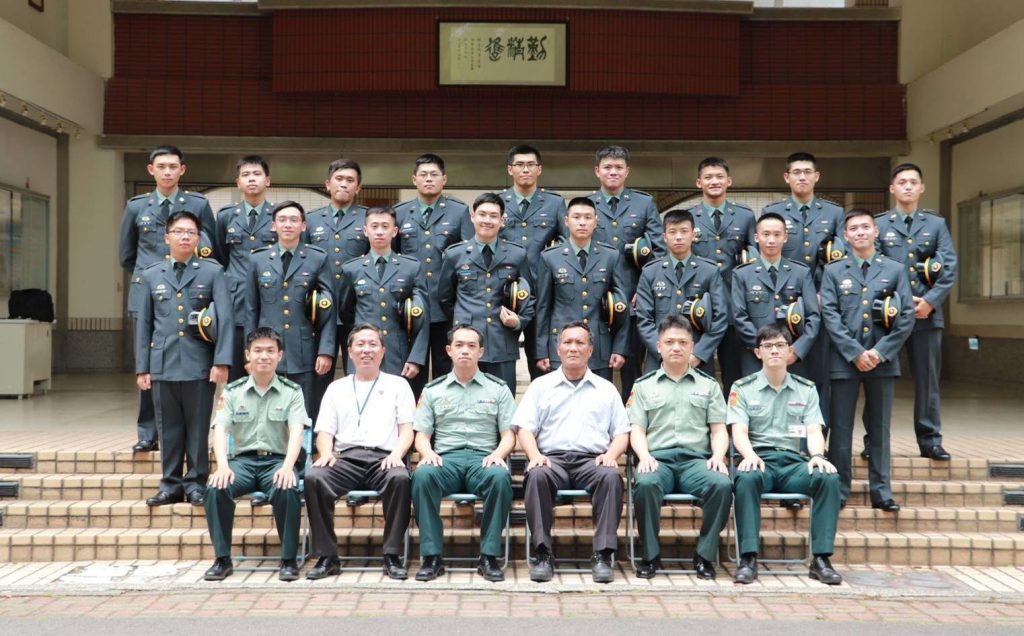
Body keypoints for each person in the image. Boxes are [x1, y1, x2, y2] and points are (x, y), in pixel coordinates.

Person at [513, 321, 630, 584]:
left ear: (590, 350)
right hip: (552, 460)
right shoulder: (541, 386)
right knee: (536, 475)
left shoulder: (606, 389)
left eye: (580, 343)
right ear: (558, 349)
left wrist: (611, 455)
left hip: (592, 461)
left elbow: (622, 432)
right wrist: (534, 456)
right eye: (567, 342)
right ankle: (543, 554)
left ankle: (602, 555)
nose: (573, 348)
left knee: (611, 476)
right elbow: (524, 428)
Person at [728, 324, 844, 586]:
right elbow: (739, 431)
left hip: (793, 464)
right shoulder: (742, 388)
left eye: (780, 345)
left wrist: (817, 456)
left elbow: (814, 429)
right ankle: (748, 558)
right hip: (760, 461)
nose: (774, 351)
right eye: (768, 346)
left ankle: (821, 559)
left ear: (790, 351)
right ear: (758, 352)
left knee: (828, 479)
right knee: (746, 478)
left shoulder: (806, 389)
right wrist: (749, 455)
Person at [119, 145, 217, 453]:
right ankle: (147, 432)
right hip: (149, 292)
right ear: (151, 170)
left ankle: (184, 431)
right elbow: (126, 255)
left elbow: (211, 249)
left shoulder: (198, 205)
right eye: (161, 166)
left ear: (182, 170)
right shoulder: (136, 207)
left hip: (190, 294)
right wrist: (154, 278)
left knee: (190, 362)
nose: (167, 172)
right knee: (148, 362)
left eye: (173, 166)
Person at [135, 210, 231, 507]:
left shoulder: (212, 272)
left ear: (199, 238)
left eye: (191, 232)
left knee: (198, 427)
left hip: (199, 362)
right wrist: (142, 368)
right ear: (167, 238)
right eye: (178, 232)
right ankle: (170, 485)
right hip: (162, 363)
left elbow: (225, 319)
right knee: (168, 428)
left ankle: (196, 483)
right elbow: (144, 324)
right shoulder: (151, 275)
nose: (185, 237)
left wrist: (221, 361)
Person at [303, 324, 415, 581]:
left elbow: (407, 430)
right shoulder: (336, 388)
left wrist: (397, 454)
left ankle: (392, 555)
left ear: (383, 351)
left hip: (384, 458)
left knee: (400, 478)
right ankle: (327, 556)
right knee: (314, 478)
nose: (367, 350)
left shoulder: (398, 385)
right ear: (350, 351)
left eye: (373, 344)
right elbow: (324, 432)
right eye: (360, 345)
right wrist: (325, 452)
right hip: (346, 459)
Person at [820, 209, 914, 512]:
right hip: (843, 361)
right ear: (845, 236)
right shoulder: (833, 271)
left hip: (882, 362)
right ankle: (839, 489)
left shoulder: (895, 269)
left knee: (879, 428)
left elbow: (906, 315)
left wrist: (878, 352)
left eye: (865, 227)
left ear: (876, 232)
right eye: (854, 229)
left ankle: (881, 492)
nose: (860, 232)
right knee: (840, 429)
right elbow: (830, 315)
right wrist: (855, 352)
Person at [627, 315, 731, 580]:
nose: (676, 347)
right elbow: (636, 429)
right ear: (658, 346)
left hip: (695, 462)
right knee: (646, 483)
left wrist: (718, 456)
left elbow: (718, 429)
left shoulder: (708, 386)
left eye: (683, 342)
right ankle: (650, 555)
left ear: (692, 347)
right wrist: (643, 456)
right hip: (657, 460)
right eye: (670, 342)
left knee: (721, 484)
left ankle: (705, 555)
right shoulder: (643, 386)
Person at [410, 325, 516, 582]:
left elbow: (509, 434)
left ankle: (489, 556)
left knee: (500, 478)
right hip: (446, 460)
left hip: (483, 459)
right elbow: (421, 435)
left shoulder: (498, 389)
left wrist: (499, 454)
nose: (465, 351)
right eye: (459, 345)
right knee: (422, 476)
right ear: (449, 350)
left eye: (471, 346)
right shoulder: (433, 390)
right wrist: (427, 452)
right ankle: (432, 557)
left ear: (481, 352)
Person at [203, 327, 306, 582]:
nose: (264, 356)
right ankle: (222, 559)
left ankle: (289, 559)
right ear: (248, 355)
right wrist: (222, 466)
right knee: (216, 488)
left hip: (277, 461)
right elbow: (220, 430)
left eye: (270, 351)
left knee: (287, 487)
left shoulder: (292, 391)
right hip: (242, 463)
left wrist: (288, 467)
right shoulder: (232, 391)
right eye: (258, 351)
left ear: (280, 355)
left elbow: (296, 432)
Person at [871, 163, 957, 462]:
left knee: (927, 381)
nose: (907, 186)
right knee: (879, 381)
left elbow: (948, 266)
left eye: (913, 182)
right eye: (902, 182)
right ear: (892, 188)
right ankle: (875, 441)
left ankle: (930, 441)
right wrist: (898, 303)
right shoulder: (879, 224)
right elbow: (874, 267)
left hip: (926, 316)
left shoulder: (936, 224)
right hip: (887, 317)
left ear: (922, 188)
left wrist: (930, 301)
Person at [762, 152, 846, 427]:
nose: (802, 177)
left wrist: (826, 295)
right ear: (787, 177)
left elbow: (840, 261)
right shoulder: (773, 212)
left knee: (818, 374)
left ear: (816, 176)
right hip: (781, 306)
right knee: (781, 372)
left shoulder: (834, 213)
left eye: (807, 172)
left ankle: (817, 436)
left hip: (818, 304)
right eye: (796, 172)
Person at [586, 145, 665, 400]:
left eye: (618, 167)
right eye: (607, 167)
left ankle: (631, 418)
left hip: (633, 296)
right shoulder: (586, 205)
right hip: (595, 298)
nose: (613, 172)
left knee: (631, 364)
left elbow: (658, 251)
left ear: (627, 171)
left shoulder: (644, 203)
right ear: (597, 171)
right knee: (596, 364)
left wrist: (645, 288)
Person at [244, 201, 336, 422]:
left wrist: (325, 351)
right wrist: (249, 352)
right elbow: (251, 309)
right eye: (282, 220)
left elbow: (329, 308)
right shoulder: (258, 258)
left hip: (304, 348)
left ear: (303, 226)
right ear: (273, 225)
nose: (288, 225)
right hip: (267, 350)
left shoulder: (317, 258)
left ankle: (304, 445)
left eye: (294, 220)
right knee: (266, 411)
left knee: (304, 411)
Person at [393, 154, 473, 395]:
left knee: (445, 369)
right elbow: (394, 258)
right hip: (410, 308)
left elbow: (467, 257)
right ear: (414, 180)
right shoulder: (400, 213)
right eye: (424, 175)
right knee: (409, 372)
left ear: (444, 179)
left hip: (444, 307)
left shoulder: (458, 211)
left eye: (434, 174)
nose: (429, 179)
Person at [438, 192, 534, 395]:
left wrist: (518, 322)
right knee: (464, 401)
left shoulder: (517, 254)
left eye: (493, 216)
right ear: (473, 217)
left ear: (502, 220)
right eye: (482, 214)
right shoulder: (455, 254)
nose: (487, 220)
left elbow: (529, 296)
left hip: (502, 341)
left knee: (503, 401)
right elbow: (445, 298)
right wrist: (463, 321)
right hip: (466, 345)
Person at [534, 197, 628, 381]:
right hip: (562, 346)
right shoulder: (550, 257)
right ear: (566, 221)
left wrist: (619, 348)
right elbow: (543, 307)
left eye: (588, 217)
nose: (582, 222)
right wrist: (541, 350)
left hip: (599, 347)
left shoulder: (610, 256)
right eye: (576, 217)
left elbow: (622, 305)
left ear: (596, 222)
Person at [686, 157, 757, 394]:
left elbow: (754, 261)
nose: (714, 181)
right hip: (699, 306)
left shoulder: (745, 216)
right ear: (699, 182)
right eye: (708, 177)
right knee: (698, 370)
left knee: (734, 372)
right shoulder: (689, 217)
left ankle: (732, 415)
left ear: (729, 181)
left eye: (719, 177)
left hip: (734, 304)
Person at [339, 206, 429, 388]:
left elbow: (423, 317)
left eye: (385, 226)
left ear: (394, 231)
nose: (379, 231)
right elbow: (346, 312)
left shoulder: (411, 267)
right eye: (374, 226)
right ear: (365, 231)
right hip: (363, 352)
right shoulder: (351, 269)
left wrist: (416, 358)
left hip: (399, 353)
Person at [499, 144, 568, 380]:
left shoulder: (554, 203)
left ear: (539, 169)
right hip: (505, 292)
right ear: (510, 169)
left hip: (543, 291)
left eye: (530, 164)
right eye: (519, 164)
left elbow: (566, 243)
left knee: (543, 364)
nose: (525, 169)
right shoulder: (498, 202)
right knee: (502, 362)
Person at [306, 159, 370, 408]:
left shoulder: (368, 218)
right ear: (327, 184)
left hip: (358, 310)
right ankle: (317, 429)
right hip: (319, 313)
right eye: (339, 179)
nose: (344, 184)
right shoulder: (311, 220)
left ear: (358, 187)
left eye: (350, 180)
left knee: (360, 374)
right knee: (318, 376)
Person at [635, 208, 728, 375]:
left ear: (693, 235)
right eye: (672, 232)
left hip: (697, 360)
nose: (678, 237)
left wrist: (698, 354)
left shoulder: (709, 271)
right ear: (664, 237)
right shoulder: (650, 272)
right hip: (659, 360)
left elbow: (720, 317)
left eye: (684, 231)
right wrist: (663, 352)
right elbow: (644, 319)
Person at [731, 212, 820, 377]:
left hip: (792, 357)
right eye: (766, 234)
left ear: (785, 237)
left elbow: (813, 317)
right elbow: (739, 317)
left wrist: (797, 351)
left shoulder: (801, 272)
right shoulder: (742, 274)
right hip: (756, 357)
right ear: (756, 237)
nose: (771, 240)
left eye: (777, 235)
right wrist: (763, 349)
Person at [215, 155, 278, 383]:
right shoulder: (225, 216)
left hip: (270, 298)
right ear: (238, 182)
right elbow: (220, 256)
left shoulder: (279, 215)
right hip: (237, 301)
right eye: (246, 175)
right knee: (237, 370)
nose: (252, 179)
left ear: (267, 181)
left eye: (257, 174)